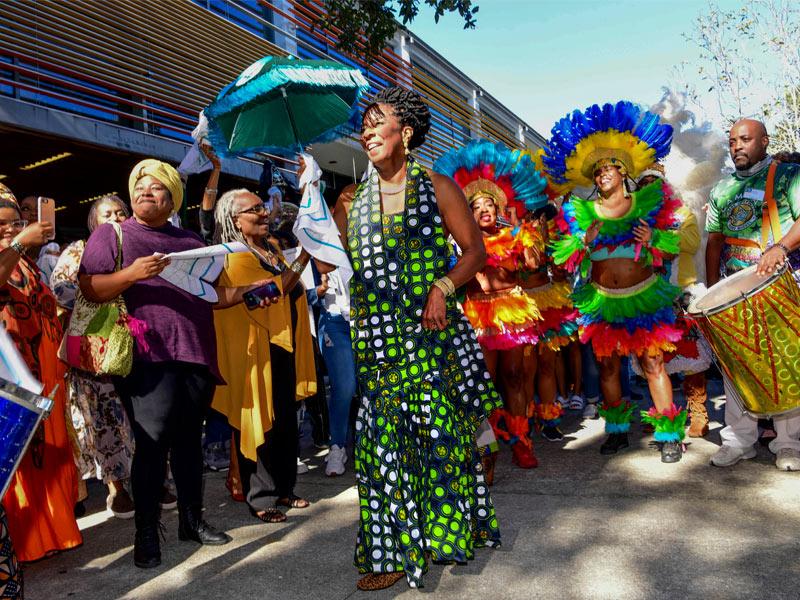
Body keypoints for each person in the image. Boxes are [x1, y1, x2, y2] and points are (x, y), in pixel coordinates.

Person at [329, 87, 501, 590]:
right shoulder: (350, 198)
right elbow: (331, 262)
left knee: (438, 437)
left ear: (404, 133)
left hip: (430, 338)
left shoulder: (438, 186)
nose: (365, 132)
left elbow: (475, 253)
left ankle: (445, 535)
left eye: (376, 123)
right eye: (363, 125)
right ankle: (386, 552)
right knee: (381, 444)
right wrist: (314, 217)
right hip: (376, 342)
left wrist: (443, 288)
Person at [79, 159, 245, 568]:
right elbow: (90, 288)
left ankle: (192, 521)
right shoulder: (112, 234)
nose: (144, 193)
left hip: (195, 354)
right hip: (146, 357)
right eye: (139, 187)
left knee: (190, 444)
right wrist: (132, 273)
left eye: (155, 189)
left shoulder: (191, 242)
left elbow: (214, 296)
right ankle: (146, 534)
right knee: (151, 447)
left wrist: (254, 290)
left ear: (172, 199)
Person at [545, 100, 688, 463]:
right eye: (596, 171)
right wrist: (583, 242)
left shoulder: (649, 201)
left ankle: (669, 433)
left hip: (643, 298)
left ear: (623, 171)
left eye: (609, 167)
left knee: (652, 364)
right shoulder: (582, 212)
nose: (601, 174)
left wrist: (652, 241)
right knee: (608, 367)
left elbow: (671, 250)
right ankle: (617, 431)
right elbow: (562, 260)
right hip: (602, 300)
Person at [433, 138, 550, 471]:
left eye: (490, 205)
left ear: (499, 209)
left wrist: (530, 243)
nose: (484, 211)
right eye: (477, 206)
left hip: (510, 312)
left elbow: (532, 265)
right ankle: (486, 450)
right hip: (475, 314)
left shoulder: (514, 236)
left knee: (513, 378)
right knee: (481, 384)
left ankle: (522, 443)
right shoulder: (461, 242)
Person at [210, 188, 316, 524]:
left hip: (282, 344)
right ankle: (261, 497)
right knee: (259, 421)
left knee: (285, 420)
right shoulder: (234, 256)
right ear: (235, 221)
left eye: (262, 206)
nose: (264, 212)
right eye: (254, 209)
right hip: (252, 350)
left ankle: (285, 487)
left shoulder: (271, 249)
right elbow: (268, 293)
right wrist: (304, 257)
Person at [706, 118, 800, 470]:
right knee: (736, 365)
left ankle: (788, 444)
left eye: (745, 140)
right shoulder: (721, 189)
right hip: (733, 294)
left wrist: (781, 247)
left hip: (779, 286)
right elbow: (714, 243)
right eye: (731, 141)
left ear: (764, 141)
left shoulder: (789, 176)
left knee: (784, 363)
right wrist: (712, 290)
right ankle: (739, 440)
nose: (737, 147)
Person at [0, 183, 83, 562]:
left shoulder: (27, 264)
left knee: (48, 456)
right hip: (14, 379)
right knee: (21, 458)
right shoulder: (11, 257)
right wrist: (17, 244)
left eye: (15, 223)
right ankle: (25, 539)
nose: (10, 229)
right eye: (1, 224)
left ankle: (51, 533)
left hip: (46, 376)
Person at [50, 195, 139, 519]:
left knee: (142, 416)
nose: (115, 217)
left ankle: (156, 479)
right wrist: (106, 296)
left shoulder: (138, 248)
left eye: (121, 212)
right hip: (95, 352)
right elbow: (60, 289)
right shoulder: (78, 250)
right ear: (93, 222)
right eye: (107, 214)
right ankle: (117, 486)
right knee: (103, 418)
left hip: (137, 347)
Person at [632, 165, 712, 438]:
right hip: (647, 297)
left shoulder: (682, 214)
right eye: (644, 186)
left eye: (655, 184)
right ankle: (661, 412)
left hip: (680, 293)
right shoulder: (633, 221)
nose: (650, 190)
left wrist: (656, 237)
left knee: (691, 355)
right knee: (651, 360)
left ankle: (698, 412)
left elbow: (690, 241)